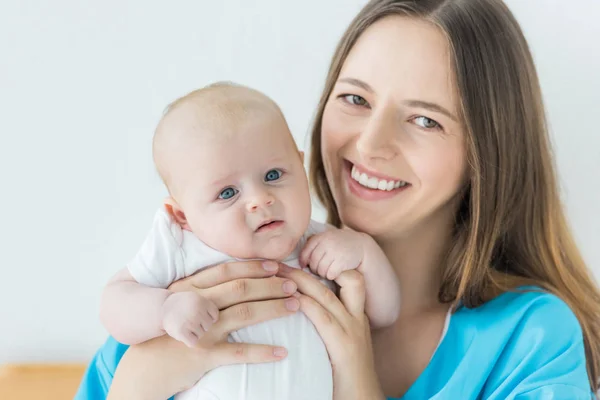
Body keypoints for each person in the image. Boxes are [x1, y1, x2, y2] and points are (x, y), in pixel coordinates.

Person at [76, 0, 600, 399]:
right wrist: (137, 384)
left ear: (490, 149)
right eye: (355, 98)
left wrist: (356, 377)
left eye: (425, 119)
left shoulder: (529, 340)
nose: (370, 145)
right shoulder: (178, 296)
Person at [97, 82, 399, 400]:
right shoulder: (181, 246)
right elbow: (114, 303)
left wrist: (365, 252)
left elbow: (386, 313)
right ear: (183, 215)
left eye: (273, 175)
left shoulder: (322, 244)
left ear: (300, 167)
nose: (260, 199)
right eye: (228, 193)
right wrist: (165, 310)